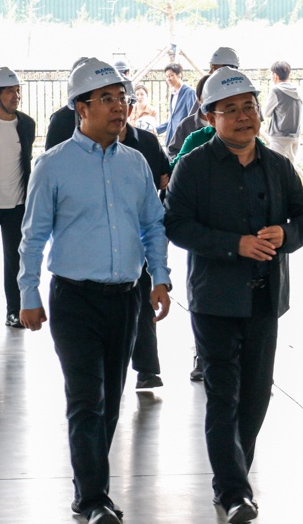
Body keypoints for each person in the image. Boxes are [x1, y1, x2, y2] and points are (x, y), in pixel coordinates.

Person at [164, 67, 303, 524]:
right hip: (216, 300)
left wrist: (286, 234)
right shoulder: (194, 167)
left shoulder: (276, 165)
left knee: (256, 396)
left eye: (248, 107)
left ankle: (236, 478)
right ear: (210, 118)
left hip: (264, 300)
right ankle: (233, 491)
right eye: (229, 110)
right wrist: (235, 244)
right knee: (223, 395)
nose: (243, 117)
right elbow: (177, 225)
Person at [18, 58, 171, 524]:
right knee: (86, 399)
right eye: (106, 99)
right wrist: (28, 294)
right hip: (74, 300)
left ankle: (90, 486)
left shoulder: (136, 164)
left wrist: (159, 278)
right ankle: (92, 499)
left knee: (110, 401)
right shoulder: (53, 165)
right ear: (81, 108)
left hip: (126, 298)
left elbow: (153, 225)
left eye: (122, 98)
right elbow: (33, 236)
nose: (119, 107)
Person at [118, 87, 171, 390]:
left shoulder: (148, 142)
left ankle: (147, 369)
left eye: (124, 102)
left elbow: (164, 177)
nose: (119, 108)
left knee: (143, 299)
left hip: (140, 235)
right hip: (103, 239)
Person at [0, 67, 35, 328]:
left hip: (17, 205)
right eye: (9, 91)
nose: (16, 96)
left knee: (15, 260)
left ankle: (14, 310)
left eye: (17, 90)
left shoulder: (27, 124)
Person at [261, 61, 302, 164]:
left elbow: (265, 113)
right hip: (295, 137)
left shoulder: (276, 91)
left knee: (277, 168)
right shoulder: (298, 90)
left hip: (280, 138)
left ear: (275, 75)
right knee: (290, 168)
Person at [168, 74, 211, 157]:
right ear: (199, 98)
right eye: (207, 95)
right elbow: (173, 152)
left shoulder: (227, 123)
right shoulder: (186, 125)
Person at [156, 62, 196, 149]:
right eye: (167, 76)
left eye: (171, 75)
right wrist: (157, 130)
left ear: (179, 75)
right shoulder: (173, 94)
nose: (168, 79)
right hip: (171, 140)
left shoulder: (189, 93)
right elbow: (172, 119)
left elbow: (193, 118)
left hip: (183, 141)